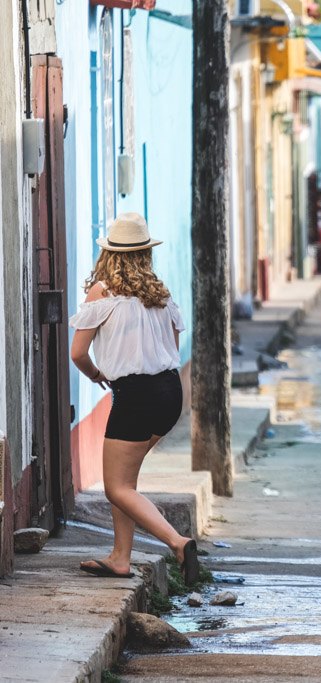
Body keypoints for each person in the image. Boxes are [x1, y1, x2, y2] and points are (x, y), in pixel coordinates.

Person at [68, 212, 202, 586]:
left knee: (117, 487)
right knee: (126, 481)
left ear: (109, 253)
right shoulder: (160, 291)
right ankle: (120, 557)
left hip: (136, 396)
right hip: (170, 391)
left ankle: (178, 542)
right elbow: (172, 349)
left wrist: (99, 376)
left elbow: (78, 353)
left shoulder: (102, 291)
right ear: (145, 253)